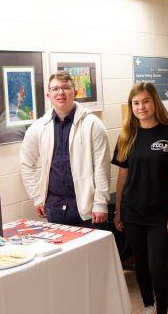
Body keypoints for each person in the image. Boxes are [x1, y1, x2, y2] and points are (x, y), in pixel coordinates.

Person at [111, 82, 168, 314]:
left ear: (154, 103)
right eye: (136, 103)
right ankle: (148, 308)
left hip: (161, 213)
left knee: (156, 264)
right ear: (131, 107)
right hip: (133, 212)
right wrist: (119, 211)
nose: (141, 107)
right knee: (140, 264)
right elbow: (122, 177)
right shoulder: (126, 136)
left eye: (145, 101)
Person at [20, 70, 110, 228]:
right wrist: (37, 197)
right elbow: (26, 164)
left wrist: (101, 203)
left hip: (88, 207)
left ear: (74, 92)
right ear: (48, 95)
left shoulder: (92, 124)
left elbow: (102, 166)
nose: (60, 92)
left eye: (65, 88)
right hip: (54, 207)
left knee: (91, 252)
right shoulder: (38, 127)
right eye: (55, 89)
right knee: (63, 252)